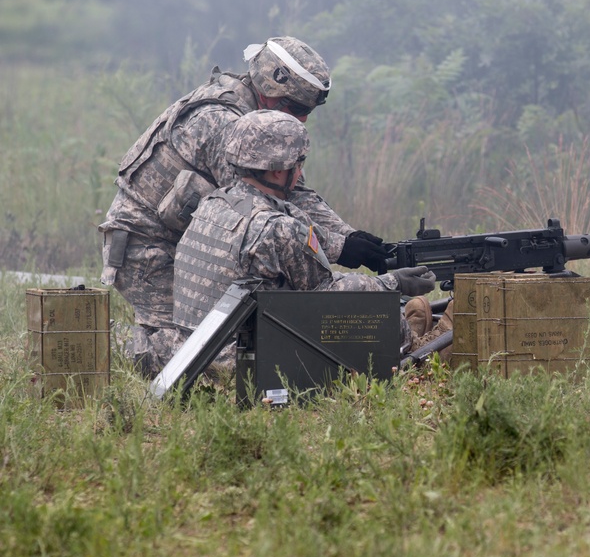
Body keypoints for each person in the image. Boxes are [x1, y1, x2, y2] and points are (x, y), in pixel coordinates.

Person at [99, 37, 391, 374]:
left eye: (307, 112)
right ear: (268, 89)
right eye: (295, 108)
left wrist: (352, 237)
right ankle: (107, 346)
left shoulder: (251, 115)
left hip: (181, 241)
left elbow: (296, 191)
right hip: (147, 250)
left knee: (241, 334)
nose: (302, 120)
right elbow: (262, 206)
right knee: (196, 357)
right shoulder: (223, 123)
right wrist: (340, 247)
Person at [172, 109, 450, 370]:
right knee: (366, 311)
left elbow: (295, 234)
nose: (300, 172)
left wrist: (346, 244)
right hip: (245, 366)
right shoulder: (277, 228)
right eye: (299, 163)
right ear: (279, 170)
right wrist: (394, 283)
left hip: (192, 359)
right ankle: (416, 347)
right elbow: (327, 294)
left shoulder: (211, 203)